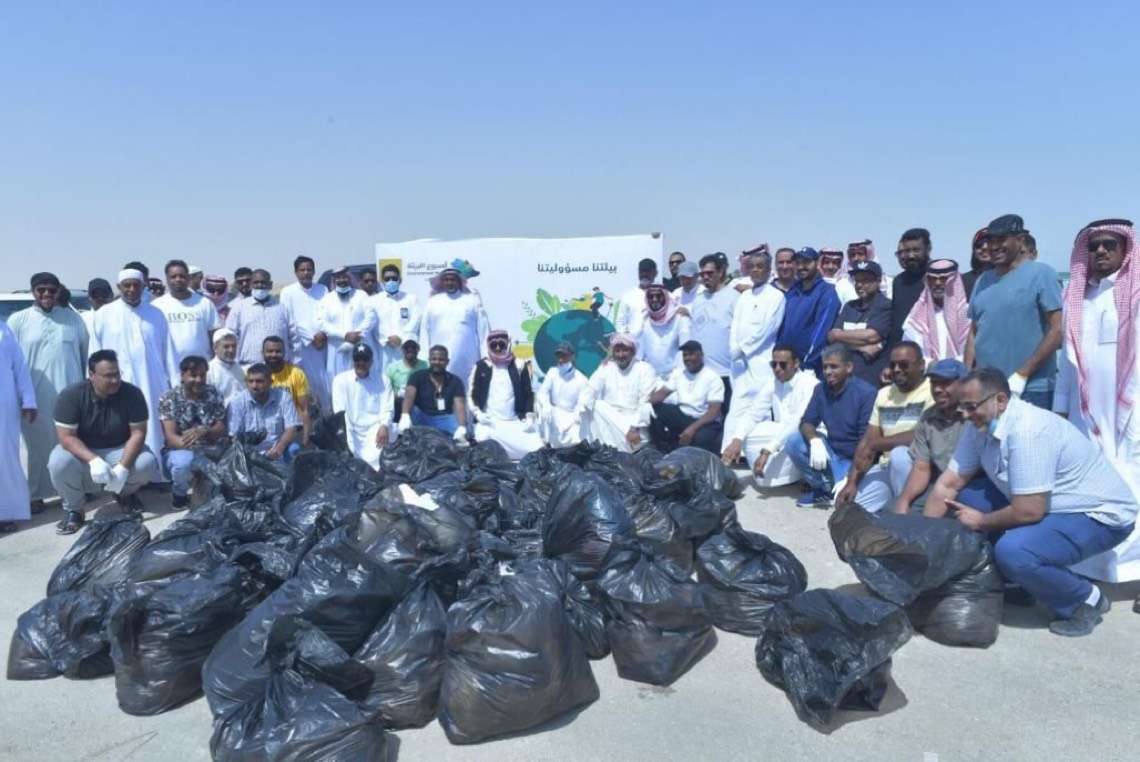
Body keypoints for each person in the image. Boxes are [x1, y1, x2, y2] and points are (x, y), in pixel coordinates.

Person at [924, 368, 1137, 637]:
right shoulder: (979, 426)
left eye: (971, 407)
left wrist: (981, 521)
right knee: (967, 497)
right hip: (1049, 503)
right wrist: (922, 542)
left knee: (1014, 552)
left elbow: (1029, 511)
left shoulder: (1029, 431)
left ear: (1000, 400)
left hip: (1098, 515)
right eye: (961, 408)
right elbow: (948, 484)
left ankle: (1084, 599)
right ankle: (1019, 584)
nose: (965, 415)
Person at [1054, 218, 1140, 589]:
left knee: (1133, 482)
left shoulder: (1136, 291)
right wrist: (1060, 409)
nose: (1101, 251)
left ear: (1126, 249)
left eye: (1110, 244)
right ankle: (1092, 567)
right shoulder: (1076, 297)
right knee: (1090, 487)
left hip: (1131, 411)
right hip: (1083, 413)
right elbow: (1067, 361)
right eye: (1094, 246)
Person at [48, 350, 158, 534]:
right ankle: (74, 508)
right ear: (91, 375)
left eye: (117, 374)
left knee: (146, 463)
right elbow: (66, 437)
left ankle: (125, 494)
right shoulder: (71, 395)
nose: (114, 380)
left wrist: (123, 468)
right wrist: (94, 460)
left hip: (119, 448)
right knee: (58, 463)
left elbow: (138, 433)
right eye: (108, 376)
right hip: (83, 450)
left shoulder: (132, 394)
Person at [9, 272, 89, 514]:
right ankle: (36, 494)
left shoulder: (73, 319)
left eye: (51, 290)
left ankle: (76, 491)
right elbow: (12, 362)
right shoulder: (18, 321)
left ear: (58, 292)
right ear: (32, 291)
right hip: (34, 397)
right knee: (37, 448)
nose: (46, 294)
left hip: (70, 394)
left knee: (71, 443)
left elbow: (84, 356)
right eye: (41, 289)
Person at [964, 214, 1062, 409]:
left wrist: (1021, 375)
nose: (994, 246)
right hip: (987, 391)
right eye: (990, 241)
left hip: (1031, 389)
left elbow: (1058, 330)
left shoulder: (1042, 274)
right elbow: (974, 333)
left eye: (1001, 239)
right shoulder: (983, 281)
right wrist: (966, 376)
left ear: (1020, 240)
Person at [89, 268, 175, 481]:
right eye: (127, 285)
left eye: (136, 285)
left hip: (152, 383)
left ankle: (155, 476)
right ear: (119, 287)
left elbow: (168, 352)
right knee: (120, 430)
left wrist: (173, 383)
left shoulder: (156, 314)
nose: (132, 289)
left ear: (143, 286)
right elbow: (94, 352)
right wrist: (94, 386)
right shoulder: (104, 314)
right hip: (116, 384)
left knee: (153, 428)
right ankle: (124, 479)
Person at [892, 359, 1005, 515]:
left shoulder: (976, 412)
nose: (937, 389)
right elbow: (921, 468)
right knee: (895, 510)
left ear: (962, 384)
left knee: (963, 506)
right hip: (943, 481)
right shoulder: (927, 418)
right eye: (934, 383)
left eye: (945, 383)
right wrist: (904, 500)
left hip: (979, 482)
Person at [836, 342, 934, 510]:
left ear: (921, 365)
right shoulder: (883, 394)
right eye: (892, 365)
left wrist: (878, 444)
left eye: (904, 364)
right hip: (885, 467)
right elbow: (868, 441)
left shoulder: (932, 391)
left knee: (899, 454)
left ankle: (908, 512)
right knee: (852, 510)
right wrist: (851, 482)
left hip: (918, 467)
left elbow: (922, 435)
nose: (896, 369)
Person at [784, 344, 877, 507]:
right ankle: (822, 489)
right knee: (794, 442)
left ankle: (839, 482)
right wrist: (814, 440)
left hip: (855, 459)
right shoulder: (821, 389)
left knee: (848, 503)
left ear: (848, 367)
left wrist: (851, 478)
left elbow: (867, 442)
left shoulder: (866, 393)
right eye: (825, 367)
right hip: (833, 452)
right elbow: (807, 421)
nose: (827, 371)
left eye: (834, 366)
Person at [721, 344, 819, 487]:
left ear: (796, 364)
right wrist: (737, 440)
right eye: (774, 364)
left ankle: (818, 482)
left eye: (783, 364)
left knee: (793, 440)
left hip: (814, 438)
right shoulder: (772, 383)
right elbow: (753, 414)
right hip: (787, 436)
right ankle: (787, 477)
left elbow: (796, 422)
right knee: (750, 431)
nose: (777, 369)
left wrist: (767, 451)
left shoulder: (809, 384)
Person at [158, 355, 226, 509]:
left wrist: (205, 431)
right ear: (182, 376)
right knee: (185, 463)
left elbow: (221, 428)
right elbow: (171, 438)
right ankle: (179, 495)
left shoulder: (214, 394)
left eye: (202, 375)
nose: (199, 380)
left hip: (210, 448)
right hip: (179, 450)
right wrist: (199, 456)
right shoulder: (169, 398)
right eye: (193, 375)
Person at [467, 330, 542, 458]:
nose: (497, 348)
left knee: (536, 448)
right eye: (493, 345)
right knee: (483, 445)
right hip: (490, 422)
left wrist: (529, 416)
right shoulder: (481, 366)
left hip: (514, 421)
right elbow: (472, 395)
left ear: (508, 344)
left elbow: (529, 394)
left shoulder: (519, 365)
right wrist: (478, 414)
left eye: (501, 344)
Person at [580, 334, 661, 452]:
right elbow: (590, 388)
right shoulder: (606, 367)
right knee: (593, 405)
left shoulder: (644, 369)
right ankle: (607, 449)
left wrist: (634, 429)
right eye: (617, 351)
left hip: (634, 429)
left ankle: (610, 449)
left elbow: (645, 402)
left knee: (614, 443)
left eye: (624, 351)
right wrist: (580, 411)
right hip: (610, 422)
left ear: (633, 352)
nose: (620, 355)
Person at [419, 262, 489, 389]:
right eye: (446, 280)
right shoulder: (433, 302)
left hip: (467, 358)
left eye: (452, 280)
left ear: (459, 282)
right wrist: (424, 356)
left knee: (468, 389)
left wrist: (485, 356)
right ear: (442, 282)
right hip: (439, 359)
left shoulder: (472, 300)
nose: (449, 283)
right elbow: (424, 331)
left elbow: (483, 329)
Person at [649, 340, 724, 454]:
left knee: (699, 441)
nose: (687, 358)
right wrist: (643, 405)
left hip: (705, 421)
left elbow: (713, 411)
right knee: (653, 410)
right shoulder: (679, 373)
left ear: (701, 355)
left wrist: (692, 429)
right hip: (684, 415)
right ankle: (663, 451)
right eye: (685, 355)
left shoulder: (713, 377)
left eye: (691, 354)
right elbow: (662, 393)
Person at [728, 247, 785, 393]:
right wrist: (734, 348)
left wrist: (744, 349)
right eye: (752, 266)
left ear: (768, 271)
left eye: (760, 266)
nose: (755, 270)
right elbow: (735, 325)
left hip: (761, 358)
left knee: (761, 399)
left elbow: (769, 329)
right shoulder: (744, 296)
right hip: (738, 361)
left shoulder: (776, 296)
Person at [777, 247, 841, 376]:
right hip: (786, 365)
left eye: (806, 262)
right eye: (798, 263)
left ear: (817, 263)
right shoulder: (792, 292)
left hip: (809, 368)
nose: (801, 267)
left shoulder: (827, 293)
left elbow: (821, 333)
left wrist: (808, 365)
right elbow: (781, 327)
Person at [827, 261, 892, 386]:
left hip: (869, 377)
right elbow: (832, 337)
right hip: (843, 376)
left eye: (865, 280)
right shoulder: (849, 306)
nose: (859, 285)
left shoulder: (885, 306)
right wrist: (861, 347)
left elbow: (872, 336)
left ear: (878, 281)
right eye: (857, 281)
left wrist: (840, 336)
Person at [279, 255, 330, 410]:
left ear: (314, 271)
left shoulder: (322, 289)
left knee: (324, 382)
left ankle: (327, 415)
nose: (306, 273)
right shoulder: (288, 292)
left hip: (323, 343)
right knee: (305, 383)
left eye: (309, 269)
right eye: (302, 270)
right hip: (300, 346)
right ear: (296, 272)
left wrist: (323, 333)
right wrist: (310, 338)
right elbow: (289, 319)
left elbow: (327, 314)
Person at [332, 343, 394, 469]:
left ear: (371, 361)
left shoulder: (383, 380)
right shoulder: (340, 380)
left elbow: (388, 408)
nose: (361, 363)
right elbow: (340, 413)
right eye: (357, 359)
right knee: (351, 456)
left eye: (365, 359)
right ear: (352, 360)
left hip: (375, 428)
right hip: (351, 428)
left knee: (388, 438)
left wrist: (384, 426)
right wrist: (347, 437)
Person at [0, 319, 36, 533]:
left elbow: (20, 366)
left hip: (3, 405)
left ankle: (5, 513)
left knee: (4, 459)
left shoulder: (3, 330)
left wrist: (29, 400)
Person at [153, 259, 222, 366]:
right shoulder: (157, 306)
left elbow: (215, 337)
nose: (178, 279)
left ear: (188, 278)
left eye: (182, 276)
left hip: (202, 368)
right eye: (173, 276)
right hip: (170, 368)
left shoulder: (205, 304)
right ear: (167, 279)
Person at [226, 363, 301, 462]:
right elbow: (233, 437)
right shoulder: (237, 403)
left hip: (278, 452)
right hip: (249, 456)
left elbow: (291, 428)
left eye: (259, 381)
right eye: (250, 381)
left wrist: (280, 447)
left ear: (270, 382)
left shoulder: (284, 398)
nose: (254, 386)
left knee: (294, 449)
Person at [691, 252, 738, 410]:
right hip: (701, 373)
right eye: (702, 274)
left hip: (725, 373)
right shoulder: (697, 299)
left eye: (710, 273)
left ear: (720, 272)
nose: (706, 277)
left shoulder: (734, 297)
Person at [225, 269, 299, 367]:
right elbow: (230, 336)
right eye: (256, 282)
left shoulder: (282, 308)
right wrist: (234, 364)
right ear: (251, 284)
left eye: (263, 282)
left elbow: (294, 338)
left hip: (279, 369)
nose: (259, 285)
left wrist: (294, 362)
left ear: (270, 284)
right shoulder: (239, 308)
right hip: (248, 368)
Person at [902, 259, 970, 364]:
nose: (937, 283)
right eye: (933, 279)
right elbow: (909, 349)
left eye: (943, 279)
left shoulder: (968, 314)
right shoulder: (917, 315)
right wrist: (930, 364)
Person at [317, 266, 376, 383]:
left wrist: (357, 334)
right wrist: (344, 335)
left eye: (344, 277)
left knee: (361, 380)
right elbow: (322, 323)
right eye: (338, 278)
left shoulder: (361, 296)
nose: (342, 281)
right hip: (336, 349)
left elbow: (371, 318)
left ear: (350, 279)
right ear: (334, 281)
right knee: (337, 381)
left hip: (359, 345)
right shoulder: (326, 300)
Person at [400, 345, 469, 441]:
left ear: (447, 362)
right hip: (421, 415)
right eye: (434, 359)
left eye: (441, 360)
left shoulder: (455, 381)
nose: (437, 362)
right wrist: (405, 415)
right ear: (429, 360)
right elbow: (409, 397)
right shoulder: (417, 376)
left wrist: (462, 426)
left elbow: (459, 406)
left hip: (443, 418)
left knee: (466, 430)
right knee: (412, 410)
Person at [370, 263, 422, 378]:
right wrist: (387, 338)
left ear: (400, 280)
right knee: (385, 378)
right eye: (387, 279)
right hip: (383, 348)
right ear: (382, 281)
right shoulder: (374, 301)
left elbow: (415, 319)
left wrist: (401, 337)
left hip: (404, 347)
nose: (391, 281)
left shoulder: (410, 298)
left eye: (394, 278)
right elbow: (372, 323)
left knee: (406, 378)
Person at [535, 342, 589, 447]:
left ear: (572, 357)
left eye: (564, 356)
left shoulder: (582, 379)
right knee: (539, 406)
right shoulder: (552, 372)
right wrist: (546, 406)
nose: (561, 360)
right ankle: (547, 444)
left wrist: (577, 414)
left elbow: (582, 402)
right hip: (552, 413)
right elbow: (542, 392)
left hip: (571, 417)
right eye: (559, 356)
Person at [262, 335, 312, 448]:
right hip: (265, 431)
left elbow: (305, 410)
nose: (274, 354)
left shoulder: (297, 374)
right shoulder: (257, 375)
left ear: (284, 353)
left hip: (292, 429)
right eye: (270, 351)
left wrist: (305, 443)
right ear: (263, 353)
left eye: (278, 351)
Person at [888, 228, 933, 348]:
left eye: (916, 250)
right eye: (907, 251)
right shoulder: (898, 281)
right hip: (900, 348)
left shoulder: (937, 278)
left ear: (928, 249)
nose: (911, 255)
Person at [635, 284, 691, 379]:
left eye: (658, 296)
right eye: (651, 296)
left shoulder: (679, 318)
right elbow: (636, 350)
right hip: (649, 377)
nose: (654, 299)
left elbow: (686, 349)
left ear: (665, 297)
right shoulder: (644, 318)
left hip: (674, 377)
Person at [385, 339, 427, 423]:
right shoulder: (392, 367)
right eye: (407, 347)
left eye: (413, 347)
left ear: (418, 348)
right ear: (402, 349)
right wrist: (398, 395)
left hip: (420, 403)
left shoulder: (426, 365)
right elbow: (385, 392)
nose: (410, 349)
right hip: (398, 404)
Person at [616, 258, 658, 333]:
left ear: (655, 273)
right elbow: (620, 322)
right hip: (633, 339)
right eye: (642, 271)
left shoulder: (665, 296)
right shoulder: (628, 296)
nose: (644, 274)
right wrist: (626, 337)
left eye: (647, 271)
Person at [207, 327, 245, 404]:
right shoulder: (209, 370)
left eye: (233, 346)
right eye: (226, 347)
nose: (231, 350)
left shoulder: (239, 368)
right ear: (215, 348)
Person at [960, 227, 991, 298]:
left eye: (989, 244)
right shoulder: (963, 280)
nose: (984, 247)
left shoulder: (1007, 276)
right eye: (979, 245)